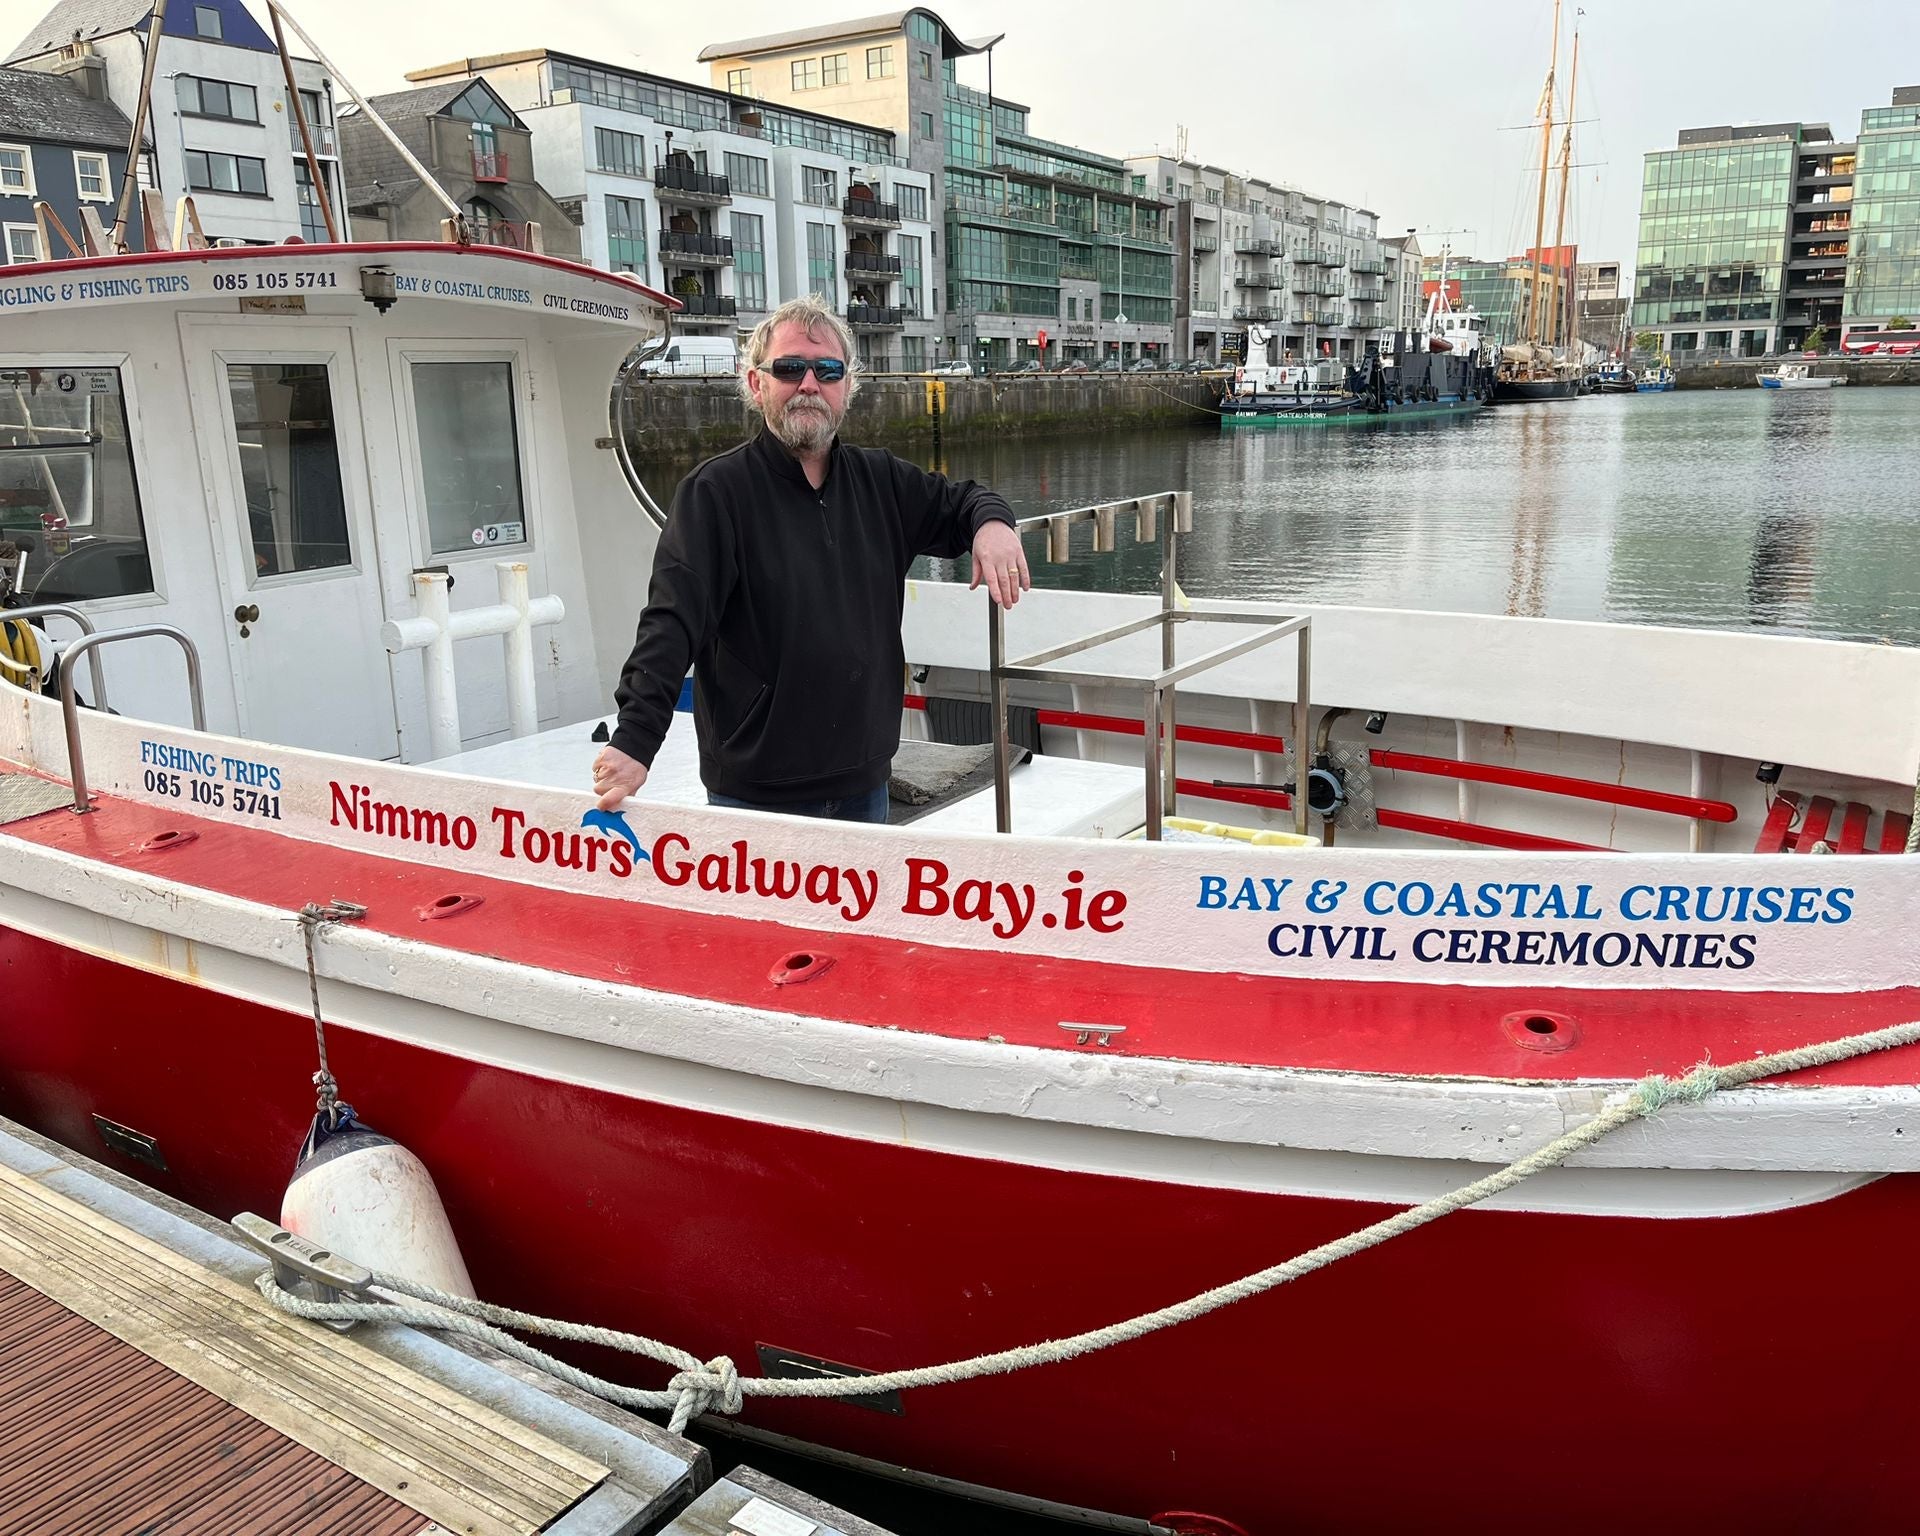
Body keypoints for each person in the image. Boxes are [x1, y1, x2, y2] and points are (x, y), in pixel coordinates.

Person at [591, 296, 1030, 822]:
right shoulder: (714, 494)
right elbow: (671, 623)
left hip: (865, 780)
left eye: (827, 370)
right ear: (757, 384)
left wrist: (994, 524)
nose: (808, 384)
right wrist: (636, 740)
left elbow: (964, 502)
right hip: (755, 792)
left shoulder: (883, 481)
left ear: (846, 388)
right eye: (790, 368)